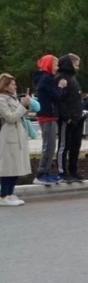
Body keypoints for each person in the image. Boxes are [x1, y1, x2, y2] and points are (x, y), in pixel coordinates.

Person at [33, 55, 66, 185]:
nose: (57, 68)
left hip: (50, 115)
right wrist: (61, 87)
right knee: (48, 146)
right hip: (47, 115)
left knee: (51, 146)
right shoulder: (46, 79)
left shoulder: (46, 79)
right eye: (55, 65)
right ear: (48, 65)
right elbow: (57, 96)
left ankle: (45, 172)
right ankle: (41, 174)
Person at [0, 74, 30, 206]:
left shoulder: (12, 98)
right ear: (5, 86)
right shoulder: (1, 99)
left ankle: (10, 193)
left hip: (18, 135)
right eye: (12, 84)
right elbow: (10, 117)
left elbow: (21, 114)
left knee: (16, 166)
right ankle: (4, 194)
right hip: (8, 136)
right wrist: (22, 106)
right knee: (8, 167)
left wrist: (25, 106)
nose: (15, 86)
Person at [55, 54, 85, 182]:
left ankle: (73, 170)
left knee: (75, 145)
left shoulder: (73, 79)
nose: (78, 67)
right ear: (69, 64)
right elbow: (59, 100)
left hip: (77, 118)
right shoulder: (60, 78)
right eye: (76, 64)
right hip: (67, 119)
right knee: (64, 145)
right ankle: (62, 172)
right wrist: (65, 116)